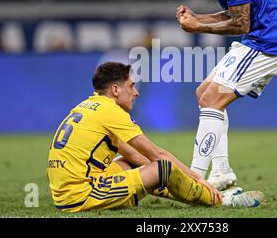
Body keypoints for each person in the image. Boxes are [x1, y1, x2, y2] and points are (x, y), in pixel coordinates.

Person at [162, 0, 277, 190]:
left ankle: (194, 179)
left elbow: (241, 24)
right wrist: (197, 17)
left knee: (212, 99)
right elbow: (233, 13)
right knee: (204, 94)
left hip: (268, 43)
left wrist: (198, 27)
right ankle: (221, 171)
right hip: (257, 40)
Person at [47, 62, 262, 212]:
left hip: (67, 189)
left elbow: (136, 155)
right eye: (131, 86)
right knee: (163, 167)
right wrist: (198, 179)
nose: (136, 92)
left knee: (134, 163)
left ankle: (200, 193)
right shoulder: (111, 112)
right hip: (80, 195)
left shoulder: (88, 105)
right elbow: (157, 155)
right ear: (114, 90)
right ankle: (221, 201)